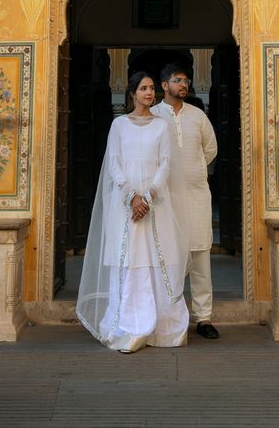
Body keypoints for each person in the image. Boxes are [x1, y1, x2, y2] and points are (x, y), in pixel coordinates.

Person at [77, 71, 189, 353]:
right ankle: (128, 326)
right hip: (125, 206)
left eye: (151, 88)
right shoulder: (119, 125)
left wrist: (147, 197)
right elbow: (114, 163)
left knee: (154, 260)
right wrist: (132, 197)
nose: (149, 93)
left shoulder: (161, 126)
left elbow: (165, 163)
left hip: (155, 205)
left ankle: (161, 328)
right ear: (132, 93)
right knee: (128, 261)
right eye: (143, 89)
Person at [153, 62, 220, 339]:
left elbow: (211, 148)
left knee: (201, 257)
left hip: (197, 195)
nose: (184, 84)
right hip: (165, 200)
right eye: (177, 80)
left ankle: (204, 318)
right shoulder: (154, 116)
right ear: (164, 85)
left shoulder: (197, 116)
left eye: (186, 81)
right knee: (169, 257)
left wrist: (192, 170)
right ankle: (171, 317)